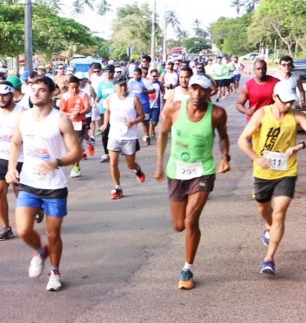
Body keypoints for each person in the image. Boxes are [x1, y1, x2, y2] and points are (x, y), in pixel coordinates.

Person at [154, 74, 231, 290]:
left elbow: (223, 137)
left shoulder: (216, 113)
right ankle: (190, 232)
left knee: (190, 220)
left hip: (203, 171)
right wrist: (159, 164)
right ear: (189, 89)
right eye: (194, 88)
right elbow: (162, 134)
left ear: (210, 92)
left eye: (202, 89)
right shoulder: (174, 109)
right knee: (179, 225)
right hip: (176, 171)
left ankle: (187, 267)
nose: (197, 93)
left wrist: (225, 156)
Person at [6, 76, 82, 291]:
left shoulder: (61, 120)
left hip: (54, 186)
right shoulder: (24, 117)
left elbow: (77, 152)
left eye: (41, 90)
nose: (35, 93)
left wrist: (55, 162)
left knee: (52, 234)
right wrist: (12, 168)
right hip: (29, 183)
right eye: (33, 89)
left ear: (51, 94)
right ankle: (40, 250)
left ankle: (55, 272)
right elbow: (15, 143)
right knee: (22, 230)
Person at [237, 81, 306, 275]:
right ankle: (268, 225)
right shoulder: (261, 114)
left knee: (280, 213)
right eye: (285, 101)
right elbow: (242, 140)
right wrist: (257, 159)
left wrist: (299, 146)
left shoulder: (296, 115)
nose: (288, 105)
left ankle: (269, 259)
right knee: (264, 208)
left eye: (291, 101)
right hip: (263, 172)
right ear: (275, 97)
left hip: (287, 171)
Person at [0, 81, 24, 240]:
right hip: (0, 157)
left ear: (12, 95)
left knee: (18, 190)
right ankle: (6, 227)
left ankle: (34, 209)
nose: (2, 99)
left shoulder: (23, 112)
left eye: (5, 95)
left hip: (20, 158)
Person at [100, 75, 146, 200]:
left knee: (130, 165)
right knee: (113, 162)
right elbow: (107, 111)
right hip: (114, 135)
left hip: (129, 136)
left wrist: (132, 123)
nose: (123, 87)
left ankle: (137, 170)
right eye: (120, 85)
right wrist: (105, 124)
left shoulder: (134, 98)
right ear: (115, 86)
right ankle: (118, 187)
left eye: (125, 84)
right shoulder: (110, 99)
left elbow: (142, 116)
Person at [59, 75, 91, 177]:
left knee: (77, 146)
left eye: (76, 87)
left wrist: (79, 113)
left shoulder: (83, 95)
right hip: (68, 123)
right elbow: (61, 110)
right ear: (68, 86)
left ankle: (76, 166)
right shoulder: (65, 96)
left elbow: (88, 108)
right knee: (68, 146)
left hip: (80, 122)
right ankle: (88, 140)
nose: (74, 90)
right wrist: (70, 115)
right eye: (72, 87)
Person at [128, 68, 155, 145]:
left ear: (141, 74)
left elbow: (153, 90)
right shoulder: (131, 81)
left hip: (144, 104)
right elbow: (129, 90)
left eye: (138, 74)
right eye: (135, 74)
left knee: (145, 122)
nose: (136, 76)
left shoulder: (145, 82)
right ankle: (132, 137)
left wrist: (144, 91)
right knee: (133, 121)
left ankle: (146, 136)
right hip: (134, 105)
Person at [96, 65, 116, 163]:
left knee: (115, 131)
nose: (108, 73)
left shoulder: (116, 83)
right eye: (106, 71)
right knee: (105, 132)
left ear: (113, 72)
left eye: (110, 71)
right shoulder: (101, 84)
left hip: (115, 111)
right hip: (104, 111)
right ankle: (106, 153)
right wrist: (95, 102)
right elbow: (99, 96)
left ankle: (117, 150)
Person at [148, 69, 163, 139]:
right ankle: (146, 134)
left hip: (156, 106)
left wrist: (163, 94)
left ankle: (153, 128)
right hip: (147, 106)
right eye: (153, 76)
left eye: (156, 76)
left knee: (154, 122)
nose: (155, 78)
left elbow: (163, 90)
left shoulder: (159, 83)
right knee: (146, 121)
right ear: (150, 76)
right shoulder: (146, 83)